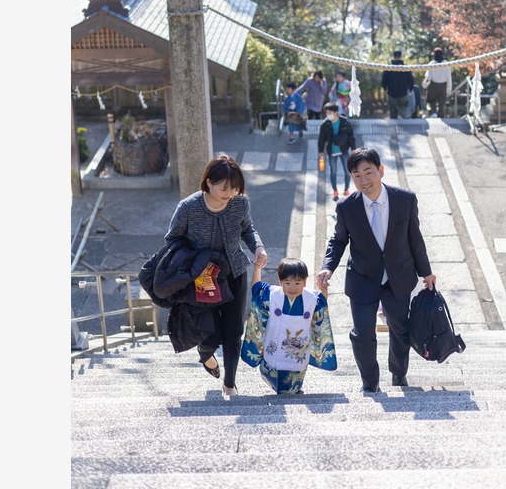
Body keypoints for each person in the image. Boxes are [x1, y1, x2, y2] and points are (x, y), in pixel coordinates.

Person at [315, 147, 436, 392]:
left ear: (380, 171)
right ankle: (370, 383)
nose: (363, 180)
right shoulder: (346, 207)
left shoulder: (405, 199)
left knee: (400, 332)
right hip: (362, 278)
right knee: (362, 335)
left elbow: (415, 238)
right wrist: (328, 267)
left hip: (398, 278)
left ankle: (399, 376)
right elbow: (338, 241)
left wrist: (426, 272)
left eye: (368, 172)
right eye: (356, 175)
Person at [164, 154, 268, 396]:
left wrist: (258, 247)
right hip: (201, 280)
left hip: (234, 273)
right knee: (209, 332)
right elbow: (172, 240)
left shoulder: (240, 203)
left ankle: (229, 384)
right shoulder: (188, 207)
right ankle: (206, 354)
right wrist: (192, 263)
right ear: (209, 182)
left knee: (233, 333)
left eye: (234, 189)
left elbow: (247, 229)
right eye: (224, 188)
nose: (229, 194)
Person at [240, 257, 337, 394]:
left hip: (298, 351)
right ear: (280, 282)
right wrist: (257, 269)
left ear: (305, 282)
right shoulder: (272, 295)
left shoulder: (311, 298)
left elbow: (320, 307)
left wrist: (323, 290)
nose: (293, 287)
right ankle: (283, 391)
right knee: (274, 375)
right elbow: (257, 290)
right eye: (288, 282)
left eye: (298, 283)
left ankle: (293, 390)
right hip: (274, 346)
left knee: (294, 380)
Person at [317, 101, 355, 202]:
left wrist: (353, 149)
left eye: (329, 113)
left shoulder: (345, 122)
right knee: (333, 172)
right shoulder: (325, 125)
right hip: (332, 152)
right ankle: (335, 191)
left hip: (344, 151)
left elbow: (351, 136)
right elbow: (321, 139)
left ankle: (346, 190)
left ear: (335, 113)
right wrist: (321, 151)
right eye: (326, 113)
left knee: (348, 172)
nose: (327, 115)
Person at [380, 50, 415, 119]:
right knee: (404, 112)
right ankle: (406, 126)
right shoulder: (405, 68)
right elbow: (410, 80)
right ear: (401, 56)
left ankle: (394, 127)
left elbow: (384, 81)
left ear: (393, 56)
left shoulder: (388, 68)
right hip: (403, 93)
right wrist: (410, 89)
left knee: (393, 113)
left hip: (392, 93)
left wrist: (384, 89)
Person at [421, 48, 453, 118]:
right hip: (443, 86)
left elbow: (428, 77)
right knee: (442, 103)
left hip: (433, 85)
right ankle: (441, 116)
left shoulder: (432, 64)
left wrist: (424, 85)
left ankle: (433, 112)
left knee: (431, 100)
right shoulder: (446, 64)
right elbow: (449, 78)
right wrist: (449, 89)